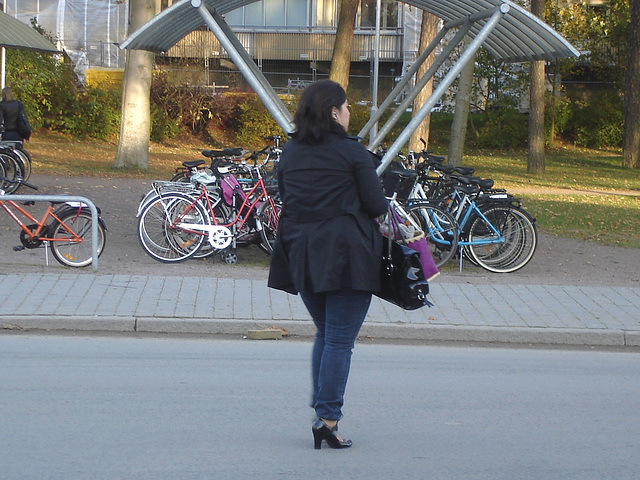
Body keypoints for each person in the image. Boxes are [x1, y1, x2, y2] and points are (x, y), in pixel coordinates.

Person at [268, 80, 388, 450]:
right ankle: (328, 418)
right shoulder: (353, 154)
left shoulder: (290, 153)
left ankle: (323, 410)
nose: (351, 113)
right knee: (338, 339)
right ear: (334, 112)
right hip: (348, 257)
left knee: (326, 333)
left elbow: (286, 196)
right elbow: (376, 205)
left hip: (303, 256)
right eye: (348, 107)